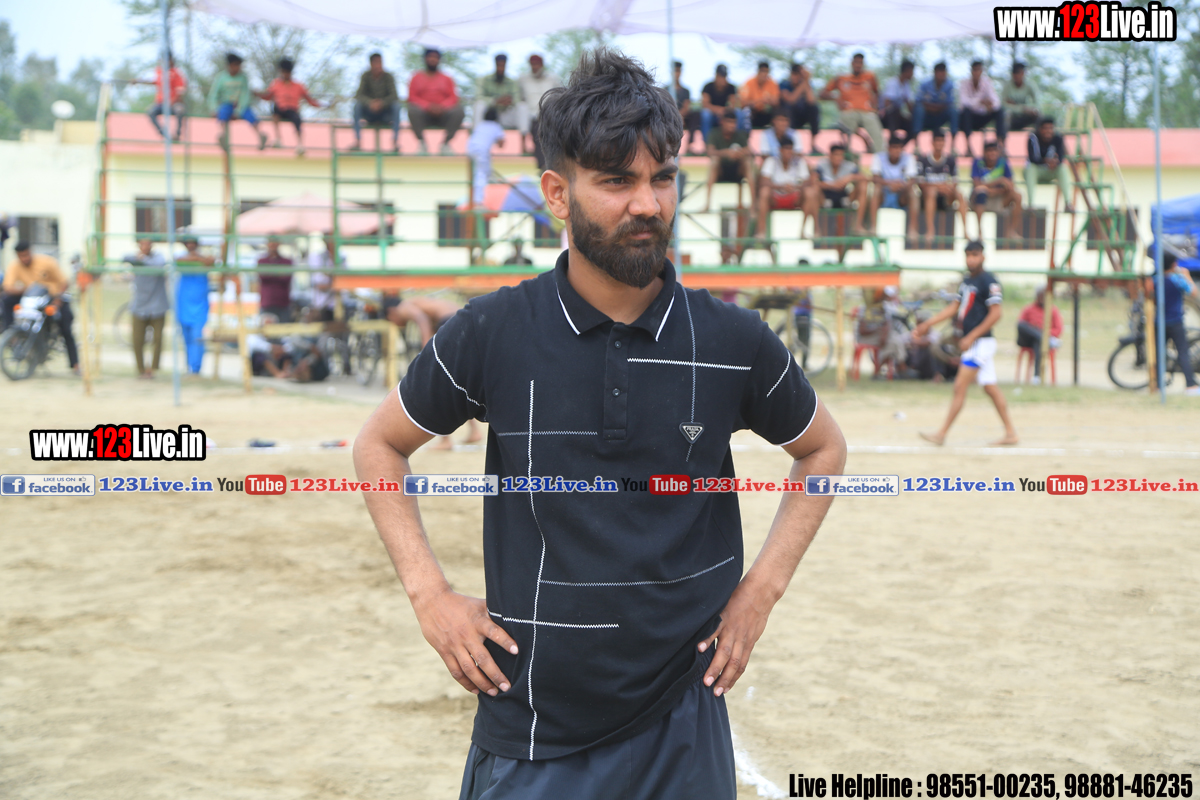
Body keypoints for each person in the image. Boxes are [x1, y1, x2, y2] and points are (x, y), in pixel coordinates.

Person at [352, 48, 846, 800]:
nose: (647, 203)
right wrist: (429, 595)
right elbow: (380, 444)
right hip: (533, 729)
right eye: (617, 181)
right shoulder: (492, 331)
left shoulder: (732, 340)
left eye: (662, 178)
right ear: (558, 193)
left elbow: (823, 449)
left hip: (685, 722)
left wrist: (762, 591)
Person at [914, 240, 1019, 445]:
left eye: (975, 255)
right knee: (990, 388)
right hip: (976, 344)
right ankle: (1010, 433)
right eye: (968, 255)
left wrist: (972, 336)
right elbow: (953, 308)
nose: (971, 259)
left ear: (983, 257)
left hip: (980, 344)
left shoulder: (989, 282)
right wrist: (928, 324)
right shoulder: (966, 282)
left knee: (959, 386)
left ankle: (941, 434)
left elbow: (996, 314)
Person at [2, 242, 79, 374]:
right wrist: (27, 289)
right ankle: (11, 334)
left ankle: (75, 364)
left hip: (54, 297)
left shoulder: (47, 262)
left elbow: (64, 282)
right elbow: (8, 287)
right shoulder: (15, 266)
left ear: (30, 251)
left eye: (26, 255)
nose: (24, 259)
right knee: (6, 299)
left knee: (65, 327)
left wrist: (57, 301)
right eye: (21, 256)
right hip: (32, 298)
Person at [820, 53, 884, 153]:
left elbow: (877, 93)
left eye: (860, 63)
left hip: (867, 112)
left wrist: (876, 106)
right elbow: (822, 94)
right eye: (856, 62)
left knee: (875, 125)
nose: (858, 65)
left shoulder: (870, 76)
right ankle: (848, 153)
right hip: (849, 111)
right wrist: (836, 97)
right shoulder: (841, 78)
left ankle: (881, 153)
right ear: (852, 63)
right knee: (847, 124)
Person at [123, 238, 168, 378]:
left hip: (157, 305)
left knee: (158, 339)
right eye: (142, 244)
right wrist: (139, 259)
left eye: (148, 243)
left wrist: (142, 259)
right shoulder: (135, 258)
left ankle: (153, 368)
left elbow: (159, 265)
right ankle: (141, 369)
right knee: (137, 340)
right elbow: (125, 257)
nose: (145, 246)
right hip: (140, 306)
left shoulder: (158, 258)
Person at [754, 135, 814, 239]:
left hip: (794, 197)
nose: (789, 152)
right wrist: (781, 187)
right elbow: (763, 181)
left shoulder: (799, 161)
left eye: (790, 149)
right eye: (786, 149)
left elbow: (807, 182)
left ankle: (803, 231)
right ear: (780, 150)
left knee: (810, 192)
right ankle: (761, 232)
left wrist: (794, 187)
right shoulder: (771, 161)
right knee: (764, 192)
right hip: (776, 197)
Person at [916, 128, 969, 246]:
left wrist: (947, 188)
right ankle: (930, 230)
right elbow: (921, 184)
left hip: (945, 197)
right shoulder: (923, 160)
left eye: (941, 141)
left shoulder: (950, 160)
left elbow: (955, 182)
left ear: (944, 143)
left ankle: (965, 230)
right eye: (937, 141)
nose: (939, 144)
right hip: (927, 197)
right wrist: (940, 186)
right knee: (931, 191)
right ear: (932, 142)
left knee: (959, 194)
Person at [408, 48, 466, 156]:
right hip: (424, 114)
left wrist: (442, 106)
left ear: (439, 60)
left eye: (435, 57)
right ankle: (422, 143)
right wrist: (428, 106)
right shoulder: (416, 78)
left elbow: (453, 97)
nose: (432, 59)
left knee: (459, 111)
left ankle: (446, 144)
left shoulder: (447, 78)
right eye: (430, 56)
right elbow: (412, 97)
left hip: (443, 114)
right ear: (425, 59)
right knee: (412, 110)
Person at [258, 58, 321, 156]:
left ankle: (300, 145)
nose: (285, 74)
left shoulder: (298, 86)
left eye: (287, 72)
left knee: (297, 120)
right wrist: (257, 94)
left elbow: (309, 99)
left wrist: (322, 105)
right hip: (280, 109)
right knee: (275, 112)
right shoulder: (276, 84)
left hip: (292, 110)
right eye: (283, 72)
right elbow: (268, 96)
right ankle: (278, 139)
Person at [1159, 250, 1200, 395]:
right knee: (1183, 353)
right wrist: (1187, 276)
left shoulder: (1155, 280)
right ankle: (1190, 385)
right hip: (1175, 321)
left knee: (1158, 352)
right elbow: (1193, 293)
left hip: (1159, 322)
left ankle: (1157, 384)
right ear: (1173, 265)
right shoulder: (1177, 279)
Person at [208, 52, 267, 150]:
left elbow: (245, 96)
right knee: (222, 115)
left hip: (241, 105)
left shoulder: (243, 78)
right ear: (230, 65)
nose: (239, 68)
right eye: (236, 65)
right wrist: (213, 108)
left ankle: (260, 136)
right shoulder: (221, 77)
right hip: (227, 103)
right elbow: (213, 94)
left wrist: (238, 111)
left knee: (251, 116)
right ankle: (223, 137)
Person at [971, 141, 1023, 241]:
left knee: (1018, 196)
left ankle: (1012, 231)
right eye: (989, 151)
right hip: (981, 200)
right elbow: (977, 186)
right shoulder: (978, 162)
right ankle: (980, 232)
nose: (992, 153)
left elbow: (1010, 185)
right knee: (981, 192)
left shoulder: (1003, 163)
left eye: (994, 151)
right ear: (984, 152)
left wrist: (992, 190)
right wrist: (999, 181)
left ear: (998, 152)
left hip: (998, 198)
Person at [869, 136, 919, 239]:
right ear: (888, 148)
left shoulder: (909, 158)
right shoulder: (879, 157)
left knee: (913, 192)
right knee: (876, 189)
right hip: (884, 194)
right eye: (894, 147)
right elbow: (875, 178)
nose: (897, 150)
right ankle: (873, 226)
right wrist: (890, 184)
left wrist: (901, 186)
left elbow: (912, 180)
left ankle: (913, 228)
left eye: (899, 148)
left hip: (901, 195)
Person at [703, 108, 753, 212]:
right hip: (720, 171)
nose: (732, 125)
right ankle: (707, 204)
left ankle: (752, 205)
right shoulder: (714, 133)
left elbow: (749, 151)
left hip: (737, 171)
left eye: (734, 122)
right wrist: (726, 153)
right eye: (729, 122)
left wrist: (739, 153)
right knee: (714, 161)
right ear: (722, 122)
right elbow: (710, 152)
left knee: (748, 162)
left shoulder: (740, 134)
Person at [176, 238, 213, 375]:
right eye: (188, 243)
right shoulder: (181, 258)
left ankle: (196, 368)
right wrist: (197, 259)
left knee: (197, 337)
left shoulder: (205, 258)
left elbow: (211, 261)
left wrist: (198, 258)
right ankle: (189, 366)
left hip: (199, 305)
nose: (190, 245)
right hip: (184, 304)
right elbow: (178, 261)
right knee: (186, 337)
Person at [352, 53, 401, 152]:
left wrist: (381, 103)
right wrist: (370, 103)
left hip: (385, 114)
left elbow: (394, 96)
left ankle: (395, 141)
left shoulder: (388, 77)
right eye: (376, 62)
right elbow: (359, 95)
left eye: (380, 62)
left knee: (396, 106)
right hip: (369, 114)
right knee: (357, 106)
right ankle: (357, 140)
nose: (379, 65)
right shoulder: (365, 76)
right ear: (371, 64)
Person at [518, 54, 562, 164]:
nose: (535, 67)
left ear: (542, 65)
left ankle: (546, 164)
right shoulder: (523, 79)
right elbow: (520, 99)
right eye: (532, 64)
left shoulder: (553, 79)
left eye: (537, 64)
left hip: (548, 114)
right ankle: (525, 146)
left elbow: (560, 97)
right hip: (531, 116)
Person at [815, 143, 869, 232]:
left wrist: (851, 177)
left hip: (845, 197)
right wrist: (833, 185)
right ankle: (816, 229)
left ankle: (858, 226)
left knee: (863, 185)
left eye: (841, 155)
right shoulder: (822, 165)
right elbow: (813, 181)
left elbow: (866, 178)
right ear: (830, 155)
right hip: (825, 198)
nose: (839, 158)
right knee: (813, 190)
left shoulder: (849, 166)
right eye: (836, 155)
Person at [958, 60, 1006, 158]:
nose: (976, 73)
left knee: (1000, 111)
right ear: (971, 71)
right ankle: (968, 147)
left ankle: (1001, 145)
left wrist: (989, 105)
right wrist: (980, 102)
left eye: (978, 70)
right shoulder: (964, 83)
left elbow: (996, 102)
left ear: (981, 71)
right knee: (965, 112)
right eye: (975, 70)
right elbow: (964, 102)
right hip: (971, 118)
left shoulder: (987, 82)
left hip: (984, 116)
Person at [1025, 116, 1073, 212]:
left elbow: (1061, 157)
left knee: (1063, 168)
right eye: (1045, 128)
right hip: (1037, 171)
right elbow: (1032, 158)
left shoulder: (1058, 138)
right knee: (1031, 168)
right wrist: (1046, 161)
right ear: (1040, 129)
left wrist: (1055, 162)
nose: (1048, 131)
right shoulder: (1032, 138)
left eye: (1050, 128)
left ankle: (1068, 203)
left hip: (1051, 170)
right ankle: (1030, 204)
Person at [1016, 286, 1063, 383]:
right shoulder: (1029, 309)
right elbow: (1021, 324)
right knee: (1021, 325)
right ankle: (1044, 338)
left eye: (1044, 296)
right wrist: (1036, 331)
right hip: (1027, 339)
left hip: (1041, 340)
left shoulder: (1053, 310)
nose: (1042, 298)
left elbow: (1058, 329)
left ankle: (1037, 376)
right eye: (1041, 295)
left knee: (1039, 341)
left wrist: (1044, 332)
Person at [140, 53, 187, 141]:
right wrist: (139, 81)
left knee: (179, 110)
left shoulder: (176, 73)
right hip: (161, 103)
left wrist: (172, 101)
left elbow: (180, 90)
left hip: (173, 103)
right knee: (151, 112)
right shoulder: (159, 71)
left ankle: (177, 134)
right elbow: (154, 81)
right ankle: (164, 134)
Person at [476, 54, 525, 135]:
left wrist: (509, 101)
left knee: (522, 106)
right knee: (479, 104)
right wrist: (495, 101)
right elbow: (478, 97)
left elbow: (517, 99)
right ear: (495, 65)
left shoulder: (512, 82)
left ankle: (524, 138)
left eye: (503, 66)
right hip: (489, 116)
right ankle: (477, 135)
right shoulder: (485, 80)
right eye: (499, 65)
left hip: (506, 114)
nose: (501, 68)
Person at [779, 62, 821, 155]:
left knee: (814, 109)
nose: (796, 77)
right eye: (794, 74)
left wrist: (806, 81)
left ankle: (813, 144)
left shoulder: (806, 84)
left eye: (798, 74)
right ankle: (787, 144)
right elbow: (790, 99)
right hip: (789, 118)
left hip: (802, 117)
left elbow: (811, 101)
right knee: (788, 108)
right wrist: (802, 85)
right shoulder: (784, 84)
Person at [467, 108, 506, 204]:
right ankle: (478, 200)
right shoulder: (496, 126)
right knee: (482, 174)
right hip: (482, 151)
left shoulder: (480, 125)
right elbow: (501, 144)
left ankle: (481, 197)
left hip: (470, 149)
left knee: (481, 172)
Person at [912, 62, 959, 141]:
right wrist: (936, 107)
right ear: (935, 72)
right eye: (939, 71)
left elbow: (950, 103)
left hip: (941, 115)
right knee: (918, 109)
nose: (942, 74)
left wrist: (933, 107)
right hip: (927, 115)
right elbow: (918, 101)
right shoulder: (925, 84)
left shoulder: (950, 85)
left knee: (953, 110)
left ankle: (953, 142)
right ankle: (916, 141)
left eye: (943, 71)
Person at [699, 64, 742, 143]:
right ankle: (707, 143)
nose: (722, 78)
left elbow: (732, 104)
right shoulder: (708, 86)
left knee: (739, 113)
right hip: (713, 114)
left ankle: (738, 142)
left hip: (726, 113)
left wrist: (724, 111)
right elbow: (705, 104)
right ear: (716, 76)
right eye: (720, 76)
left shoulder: (731, 87)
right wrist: (719, 110)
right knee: (705, 114)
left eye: (724, 76)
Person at [256, 237, 294, 323]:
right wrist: (279, 272)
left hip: (283, 302)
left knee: (283, 328)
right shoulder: (262, 261)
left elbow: (287, 277)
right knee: (267, 329)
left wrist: (270, 272)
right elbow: (263, 276)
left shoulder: (286, 261)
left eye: (275, 243)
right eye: (271, 243)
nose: (273, 246)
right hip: (267, 302)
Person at [669, 61, 703, 154]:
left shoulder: (685, 90)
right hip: (669, 116)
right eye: (675, 71)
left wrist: (679, 116)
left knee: (696, 114)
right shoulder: (666, 89)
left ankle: (690, 145)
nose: (676, 73)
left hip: (682, 116)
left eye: (678, 71)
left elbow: (686, 106)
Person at [879, 59, 916, 142]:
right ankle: (892, 140)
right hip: (885, 115)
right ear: (907, 71)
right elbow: (887, 103)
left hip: (897, 115)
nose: (912, 74)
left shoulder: (906, 85)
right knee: (894, 111)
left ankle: (900, 145)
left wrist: (913, 115)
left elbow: (909, 104)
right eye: (912, 72)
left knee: (913, 125)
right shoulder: (893, 83)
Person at [1001, 61, 1039, 137]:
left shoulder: (1030, 85)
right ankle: (1003, 140)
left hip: (1026, 115)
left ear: (1023, 73)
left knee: (1038, 115)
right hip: (1012, 117)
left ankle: (1038, 140)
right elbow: (1003, 104)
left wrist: (1030, 109)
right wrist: (1021, 108)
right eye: (1015, 73)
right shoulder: (1007, 86)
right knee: (1006, 115)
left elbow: (1037, 103)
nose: (1017, 75)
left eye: (1019, 72)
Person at [740, 61, 780, 129]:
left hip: (766, 111)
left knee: (778, 111)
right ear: (758, 71)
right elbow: (743, 102)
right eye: (762, 71)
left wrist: (769, 100)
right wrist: (759, 101)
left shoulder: (772, 83)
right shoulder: (749, 82)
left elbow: (776, 101)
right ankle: (746, 132)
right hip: (753, 111)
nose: (764, 74)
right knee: (746, 111)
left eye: (766, 71)